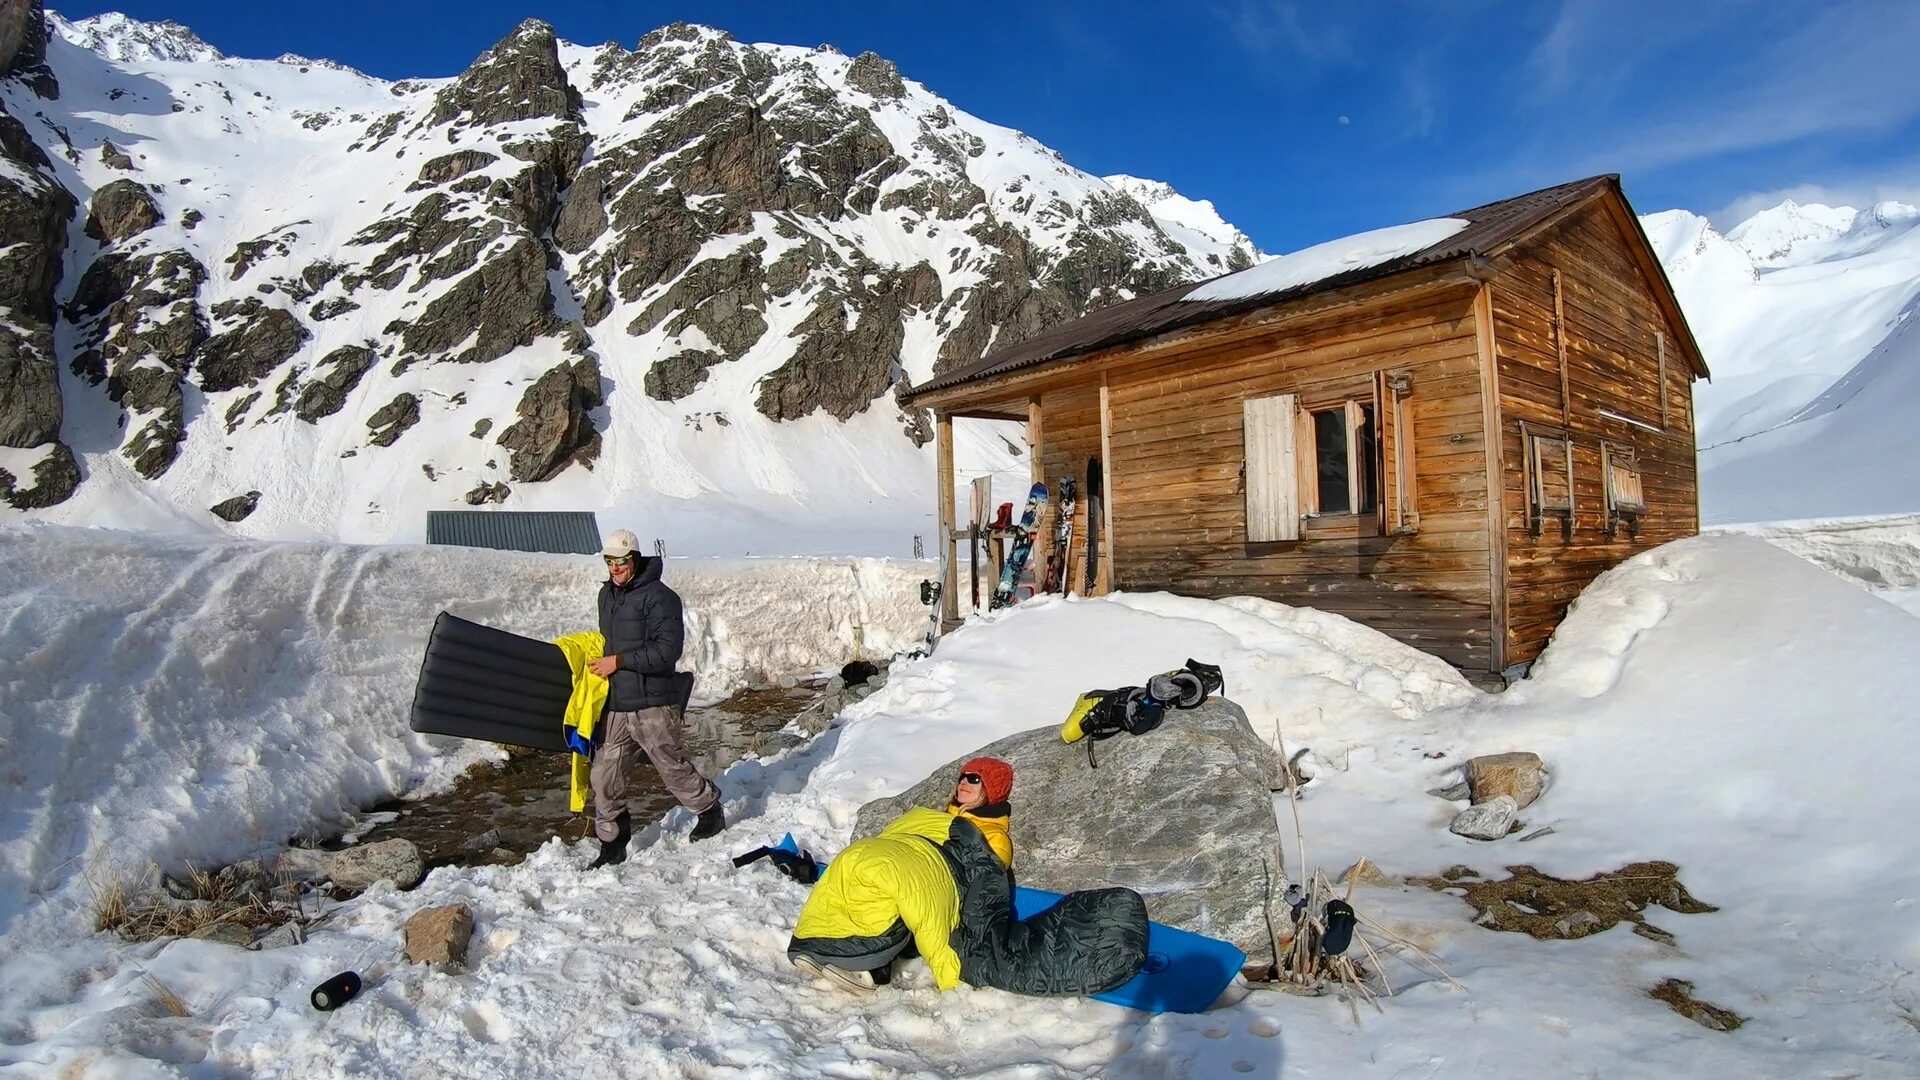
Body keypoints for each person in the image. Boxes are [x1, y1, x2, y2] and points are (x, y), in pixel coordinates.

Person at [785, 755, 1147, 996]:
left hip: (936, 872)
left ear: (991, 789)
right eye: (962, 777)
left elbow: (985, 879)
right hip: (897, 851)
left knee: (899, 882)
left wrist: (950, 967)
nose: (964, 784)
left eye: (974, 779)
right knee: (857, 865)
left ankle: (870, 966)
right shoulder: (933, 816)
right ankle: (823, 942)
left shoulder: (992, 835)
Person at [585, 529, 724, 869]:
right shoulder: (607, 596)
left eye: (620, 561)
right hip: (617, 704)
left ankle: (709, 809)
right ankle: (613, 843)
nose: (614, 568)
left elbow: (667, 652)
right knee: (604, 775)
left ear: (633, 559)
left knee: (670, 767)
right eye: (609, 562)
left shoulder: (661, 597)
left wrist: (617, 661)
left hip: (653, 703)